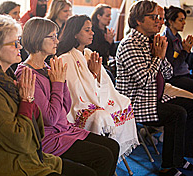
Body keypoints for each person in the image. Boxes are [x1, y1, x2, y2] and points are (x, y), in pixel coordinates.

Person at [0, 14, 98, 176]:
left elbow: (38, 129)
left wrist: (59, 82)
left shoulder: (5, 79)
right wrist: (27, 101)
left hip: (29, 156)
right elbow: (21, 142)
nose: (20, 47)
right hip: (13, 164)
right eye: (14, 43)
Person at [15, 17, 120, 176]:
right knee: (103, 156)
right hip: (49, 138)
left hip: (64, 129)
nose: (57, 41)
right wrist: (58, 83)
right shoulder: (27, 74)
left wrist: (61, 81)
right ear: (37, 39)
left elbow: (66, 107)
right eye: (52, 37)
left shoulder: (46, 66)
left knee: (113, 146)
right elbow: (50, 118)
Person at [116, 0, 193, 176]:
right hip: (136, 102)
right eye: (155, 17)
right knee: (177, 114)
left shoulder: (151, 40)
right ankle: (168, 166)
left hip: (152, 97)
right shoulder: (130, 44)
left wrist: (161, 54)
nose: (160, 22)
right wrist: (158, 57)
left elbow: (168, 74)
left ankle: (181, 158)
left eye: (161, 18)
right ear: (138, 20)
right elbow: (144, 80)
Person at [57, 15, 138, 164]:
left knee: (124, 102)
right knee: (101, 117)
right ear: (75, 33)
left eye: (92, 29)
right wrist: (94, 74)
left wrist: (97, 75)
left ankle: (111, 155)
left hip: (98, 97)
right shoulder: (65, 59)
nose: (92, 33)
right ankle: (100, 157)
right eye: (87, 30)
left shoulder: (89, 53)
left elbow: (106, 84)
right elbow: (76, 91)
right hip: (80, 107)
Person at [162, 6, 193, 98]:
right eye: (180, 20)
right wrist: (185, 51)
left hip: (184, 73)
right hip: (175, 77)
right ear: (171, 21)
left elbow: (186, 61)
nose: (184, 23)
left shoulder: (177, 37)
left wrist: (188, 50)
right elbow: (171, 66)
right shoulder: (167, 40)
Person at [88, 4, 117, 68]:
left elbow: (113, 52)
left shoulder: (107, 31)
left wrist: (111, 42)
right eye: (107, 16)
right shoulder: (92, 31)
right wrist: (108, 42)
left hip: (104, 64)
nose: (110, 18)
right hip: (94, 65)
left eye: (110, 16)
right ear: (99, 16)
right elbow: (96, 52)